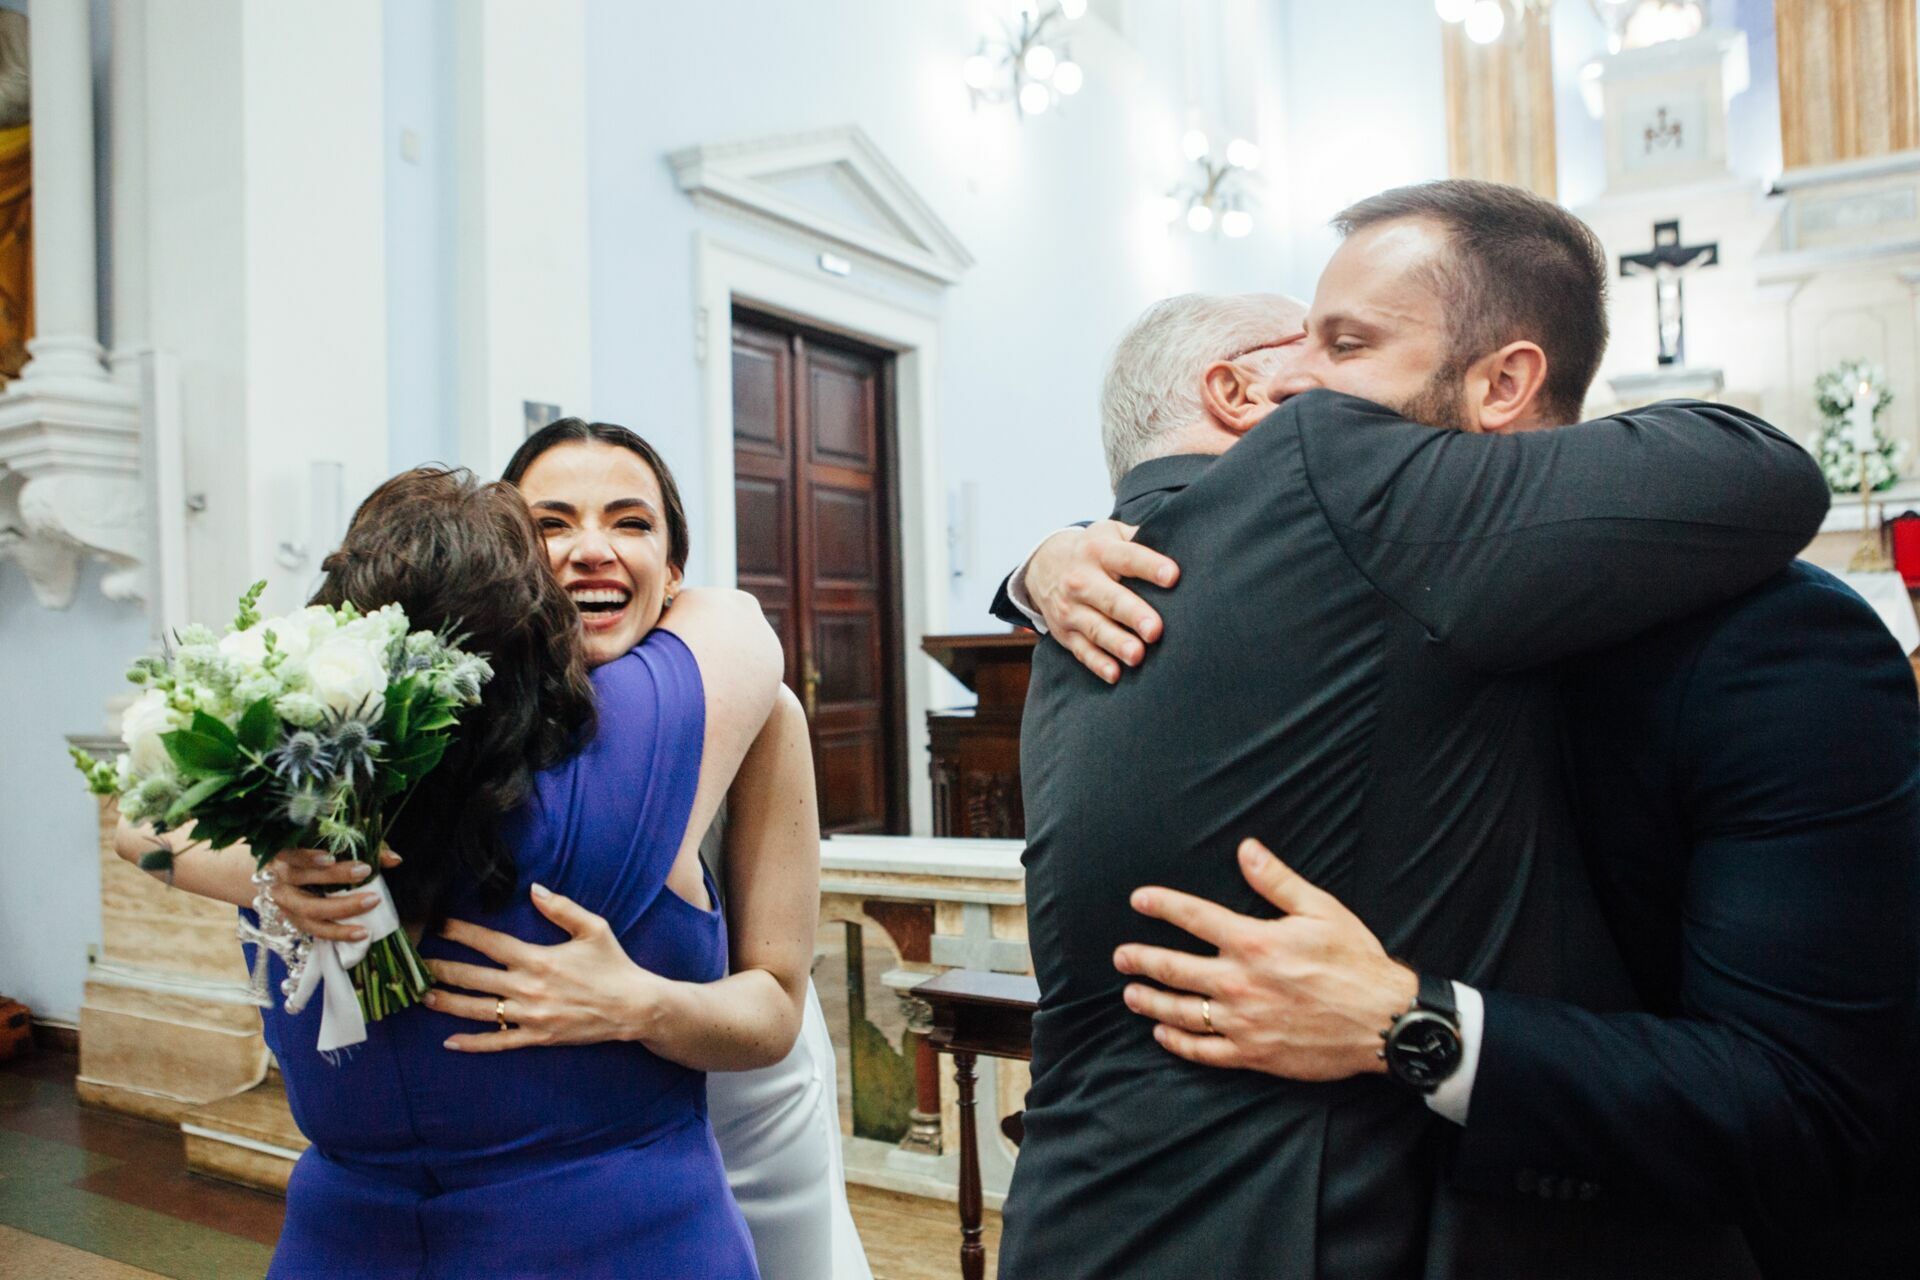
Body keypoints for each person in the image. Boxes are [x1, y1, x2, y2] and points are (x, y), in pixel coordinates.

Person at [992, 180, 1832, 1279]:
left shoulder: (1084, 602)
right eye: (1321, 346)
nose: (1338, 390)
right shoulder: (1325, 476)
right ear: (1247, 391)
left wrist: (1034, 561)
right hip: (1269, 1226)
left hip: (1078, 1213)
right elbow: (1761, 470)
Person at [119, 465, 816, 1278]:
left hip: (343, 1242)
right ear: (538, 610)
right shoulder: (644, 733)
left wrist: (264, 872)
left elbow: (140, 825)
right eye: (552, 526)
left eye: (630, 522)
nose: (590, 551)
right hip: (617, 1238)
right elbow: (738, 621)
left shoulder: (271, 794)